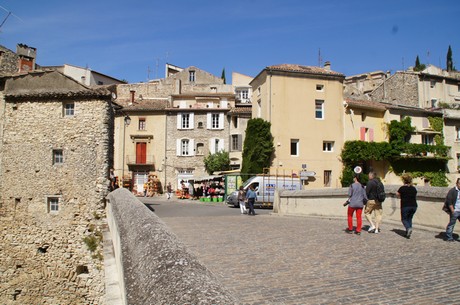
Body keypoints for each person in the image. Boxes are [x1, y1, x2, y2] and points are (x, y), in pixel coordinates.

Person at [396, 174, 418, 239]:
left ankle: (408, 228)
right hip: (414, 205)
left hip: (405, 205)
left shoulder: (402, 188)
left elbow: (397, 194)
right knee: (409, 218)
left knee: (404, 219)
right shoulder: (413, 188)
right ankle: (408, 232)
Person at [444, 178, 460, 242]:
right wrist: (452, 210)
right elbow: (449, 201)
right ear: (457, 184)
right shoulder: (452, 191)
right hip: (455, 210)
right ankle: (449, 237)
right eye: (459, 183)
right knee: (451, 224)